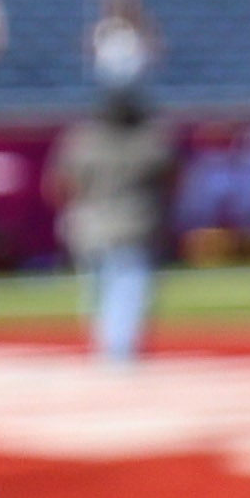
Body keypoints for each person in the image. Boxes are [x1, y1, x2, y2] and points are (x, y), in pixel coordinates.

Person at [49, 75, 175, 364]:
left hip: (90, 223)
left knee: (97, 290)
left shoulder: (82, 140)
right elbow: (173, 180)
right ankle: (119, 353)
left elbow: (61, 183)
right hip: (135, 223)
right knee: (128, 288)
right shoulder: (151, 140)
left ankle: (107, 348)